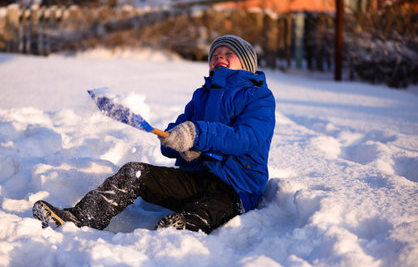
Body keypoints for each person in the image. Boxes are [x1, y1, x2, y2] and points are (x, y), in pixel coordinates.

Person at [33, 35, 276, 234]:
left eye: (228, 53)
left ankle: (180, 229)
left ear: (246, 63)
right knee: (134, 172)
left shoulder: (258, 97)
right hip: (193, 180)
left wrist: (197, 134)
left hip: (235, 189)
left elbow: (248, 137)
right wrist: (174, 142)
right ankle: (79, 217)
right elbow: (177, 137)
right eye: (214, 54)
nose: (219, 56)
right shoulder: (200, 96)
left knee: (206, 211)